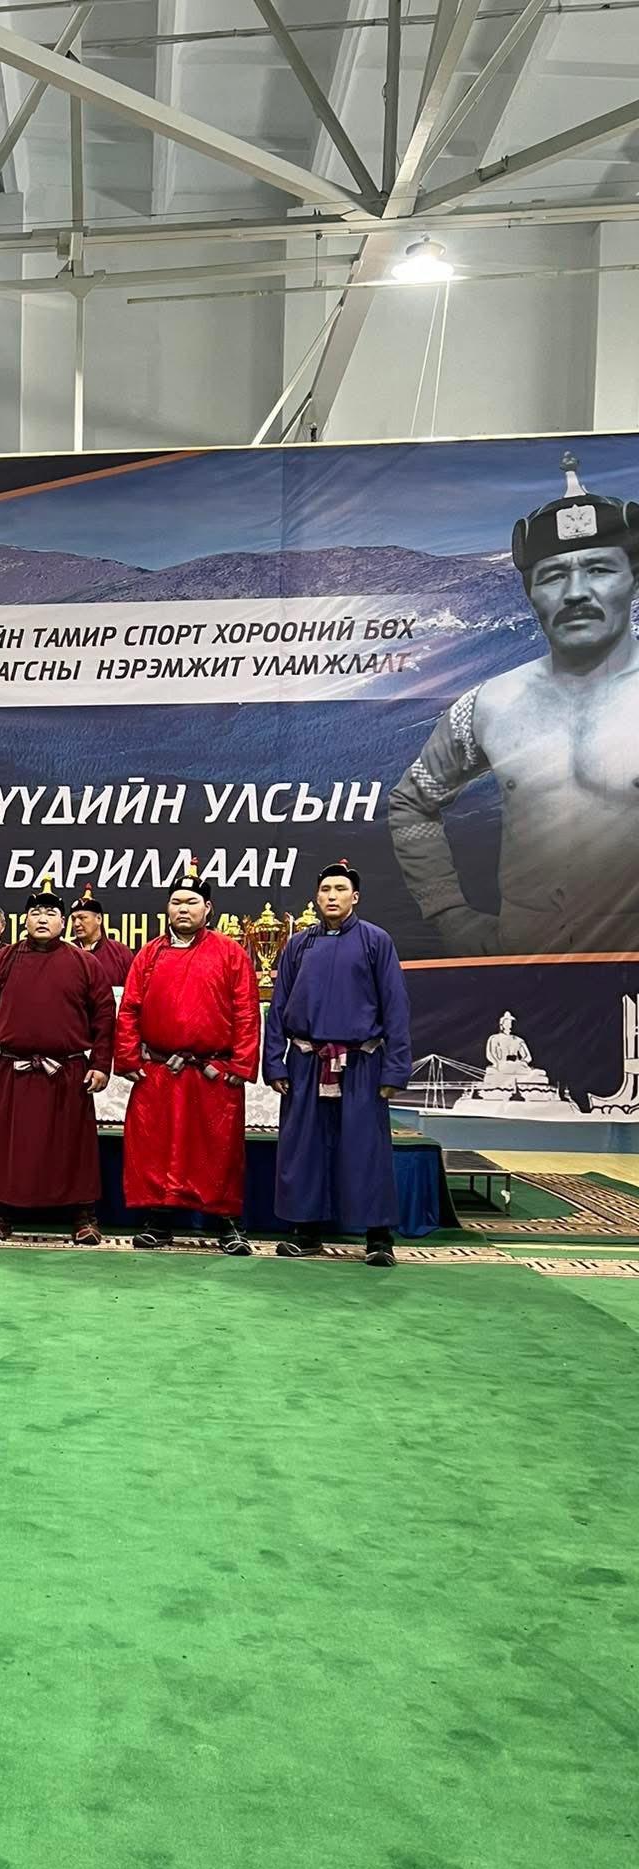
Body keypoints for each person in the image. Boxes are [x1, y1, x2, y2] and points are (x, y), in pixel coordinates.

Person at [389, 452, 639, 956]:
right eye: (553, 576)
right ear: (531, 593)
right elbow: (411, 803)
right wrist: (448, 913)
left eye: (598, 569)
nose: (576, 592)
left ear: (632, 580)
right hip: (527, 963)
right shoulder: (488, 705)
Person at [263, 859, 412, 1267]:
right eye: (325, 889)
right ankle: (305, 1231)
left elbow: (396, 1007)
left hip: (361, 1063)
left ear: (355, 897)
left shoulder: (376, 941)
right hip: (307, 1062)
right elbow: (279, 1007)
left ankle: (378, 1236)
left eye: (340, 889)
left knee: (366, 1148)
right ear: (316, 897)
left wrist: (395, 1069)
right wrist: (274, 1062)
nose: (332, 896)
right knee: (303, 1148)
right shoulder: (298, 945)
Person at [115, 868, 260, 1255]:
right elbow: (129, 1009)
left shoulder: (230, 953)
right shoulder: (149, 954)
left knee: (218, 1149)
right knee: (156, 1147)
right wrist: (128, 1057)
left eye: (191, 902)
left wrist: (241, 1065)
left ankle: (228, 1222)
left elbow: (247, 1011)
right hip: (160, 1071)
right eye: (176, 901)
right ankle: (159, 1220)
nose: (183, 908)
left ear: (207, 908)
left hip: (213, 1073)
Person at [0, 881, 114, 1245]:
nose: (42, 919)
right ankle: (0, 1212)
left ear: (63, 922)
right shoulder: (4, 960)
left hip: (68, 1071)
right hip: (15, 1069)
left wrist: (100, 1063)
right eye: (35, 912)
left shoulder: (84, 963)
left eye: (51, 913)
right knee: (9, 1145)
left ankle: (83, 1214)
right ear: (24, 920)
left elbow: (104, 1014)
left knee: (74, 1147)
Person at [69, 886, 134, 987]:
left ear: (98, 919)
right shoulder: (67, 951)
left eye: (82, 918)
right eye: (73, 919)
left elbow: (133, 988)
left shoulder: (120, 952)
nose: (76, 924)